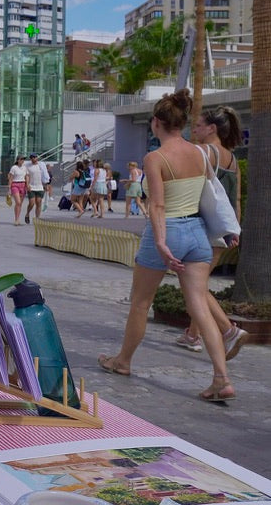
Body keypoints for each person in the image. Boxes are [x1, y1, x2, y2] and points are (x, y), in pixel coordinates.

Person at [98, 88, 238, 402]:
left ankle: (123, 361)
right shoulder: (201, 153)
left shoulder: (155, 158)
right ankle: (221, 378)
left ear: (157, 123)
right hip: (197, 232)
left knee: (140, 302)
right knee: (200, 306)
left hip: (169, 229)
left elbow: (158, 206)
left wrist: (161, 242)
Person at [175, 106, 247, 358]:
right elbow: (235, 199)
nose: (194, 130)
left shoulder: (205, 152)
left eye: (198, 126)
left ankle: (229, 330)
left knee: (195, 287)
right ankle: (193, 335)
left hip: (201, 225)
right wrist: (234, 229)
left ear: (212, 128)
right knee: (200, 284)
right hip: (222, 229)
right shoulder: (233, 159)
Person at [25, 153, 46, 223]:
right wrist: (27, 185)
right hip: (32, 186)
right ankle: (27, 214)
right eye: (31, 157)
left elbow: (45, 175)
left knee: (39, 202)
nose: (33, 158)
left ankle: (37, 218)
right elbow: (27, 176)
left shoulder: (41, 165)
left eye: (34, 157)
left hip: (40, 187)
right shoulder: (28, 166)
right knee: (31, 203)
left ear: (37, 157)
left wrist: (46, 185)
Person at [8, 155, 28, 225]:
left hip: (23, 185)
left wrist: (27, 185)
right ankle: (16, 219)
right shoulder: (14, 168)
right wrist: (9, 189)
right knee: (18, 202)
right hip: (15, 185)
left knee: (20, 204)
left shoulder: (25, 168)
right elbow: (10, 178)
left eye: (23, 159)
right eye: (21, 159)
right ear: (17, 160)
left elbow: (26, 177)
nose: (22, 160)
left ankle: (18, 219)